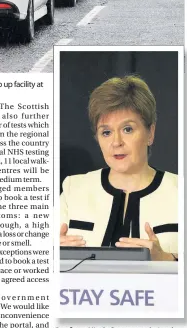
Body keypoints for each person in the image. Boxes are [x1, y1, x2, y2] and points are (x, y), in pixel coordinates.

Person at [60, 75, 178, 261]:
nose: (116, 142)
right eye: (106, 132)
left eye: (127, 129)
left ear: (150, 133)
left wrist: (168, 258)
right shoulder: (73, 189)